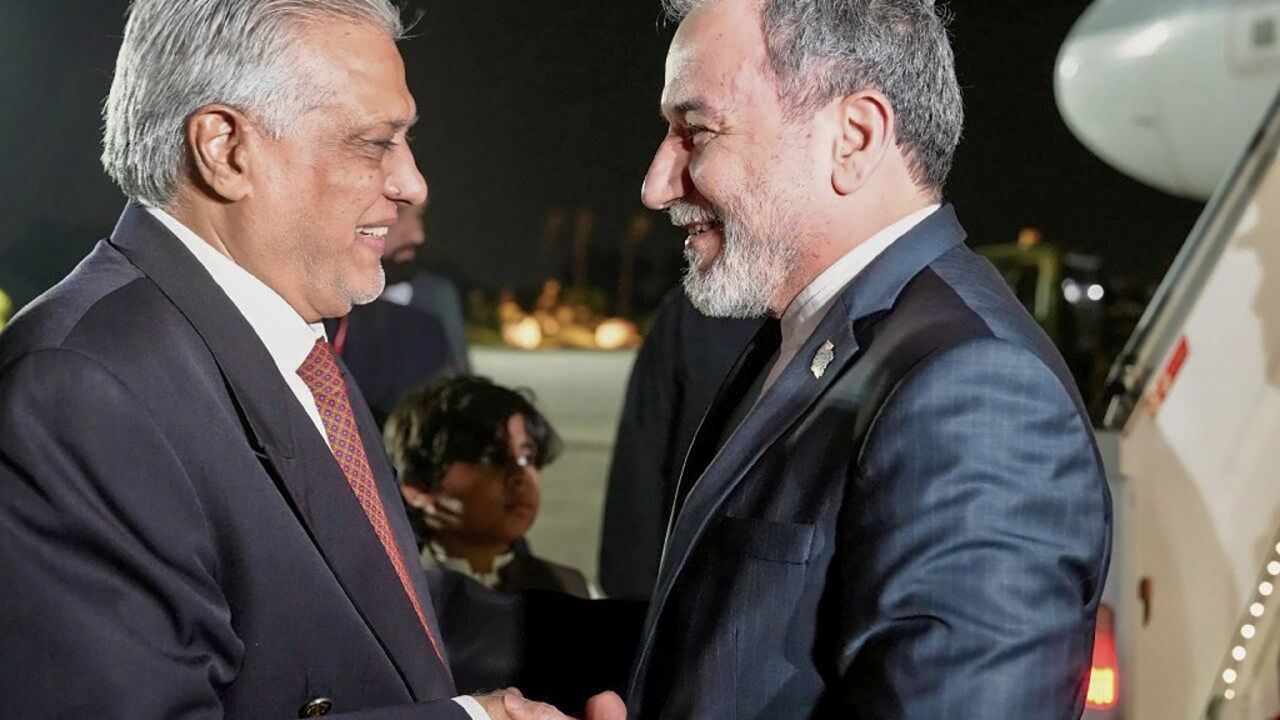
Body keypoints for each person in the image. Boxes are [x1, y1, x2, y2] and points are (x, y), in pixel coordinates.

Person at [0, 2, 621, 719]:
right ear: (225, 150)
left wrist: (665, 632)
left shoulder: (283, 341)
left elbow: (369, 607)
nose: (412, 183)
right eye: (373, 143)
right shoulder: (77, 390)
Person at [626, 1, 1112, 719]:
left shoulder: (976, 391)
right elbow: (714, 644)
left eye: (696, 132)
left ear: (853, 138)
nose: (657, 184)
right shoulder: (809, 331)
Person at [598, 286, 759, 599]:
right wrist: (629, 596)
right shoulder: (697, 312)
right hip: (698, 587)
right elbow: (641, 461)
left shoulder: (857, 312)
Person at [385, 376, 594, 599]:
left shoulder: (567, 587)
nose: (519, 475)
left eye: (527, 458)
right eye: (491, 458)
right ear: (417, 488)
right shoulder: (397, 593)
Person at [382, 199, 472, 371]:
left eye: (419, 215)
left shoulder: (435, 296)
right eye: (397, 212)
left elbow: (458, 377)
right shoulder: (332, 306)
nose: (418, 235)